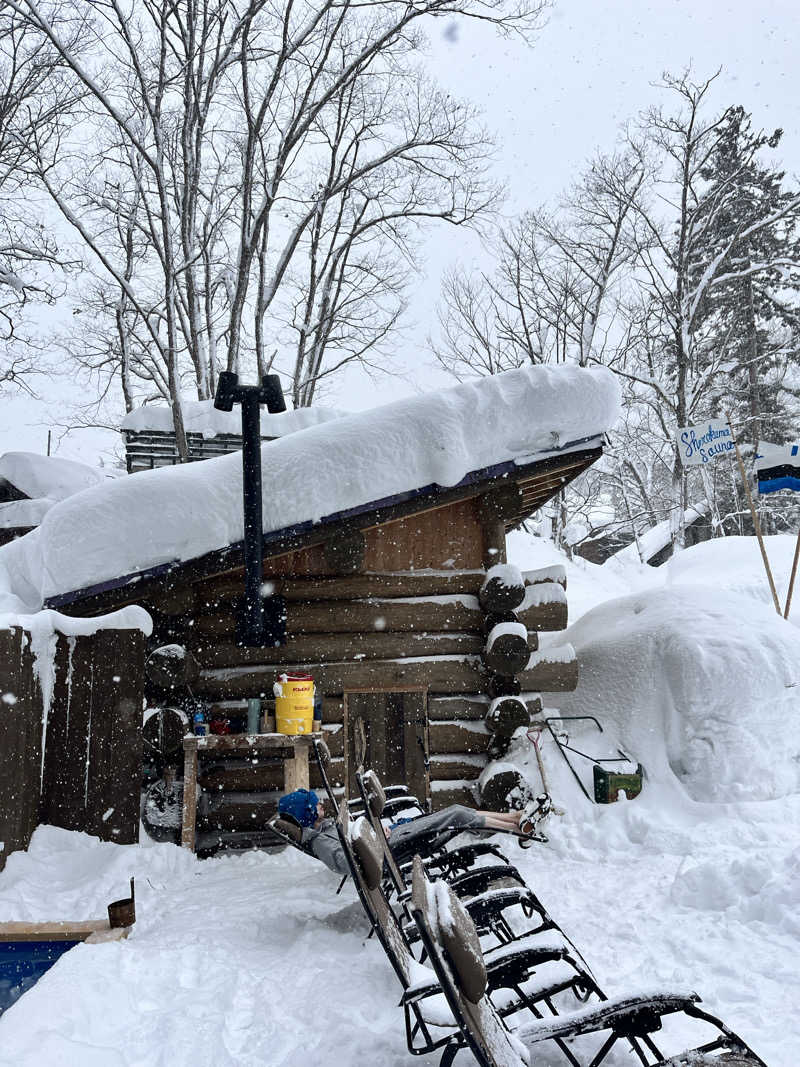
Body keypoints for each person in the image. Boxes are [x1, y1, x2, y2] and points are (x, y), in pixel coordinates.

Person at [277, 788, 550, 877]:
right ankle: (517, 828)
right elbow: (346, 863)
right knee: (454, 815)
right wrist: (372, 838)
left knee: (453, 810)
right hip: (389, 849)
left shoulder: (323, 828)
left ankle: (515, 819)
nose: (322, 805)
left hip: (388, 837)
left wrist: (373, 831)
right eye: (316, 806)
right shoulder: (320, 841)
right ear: (307, 814)